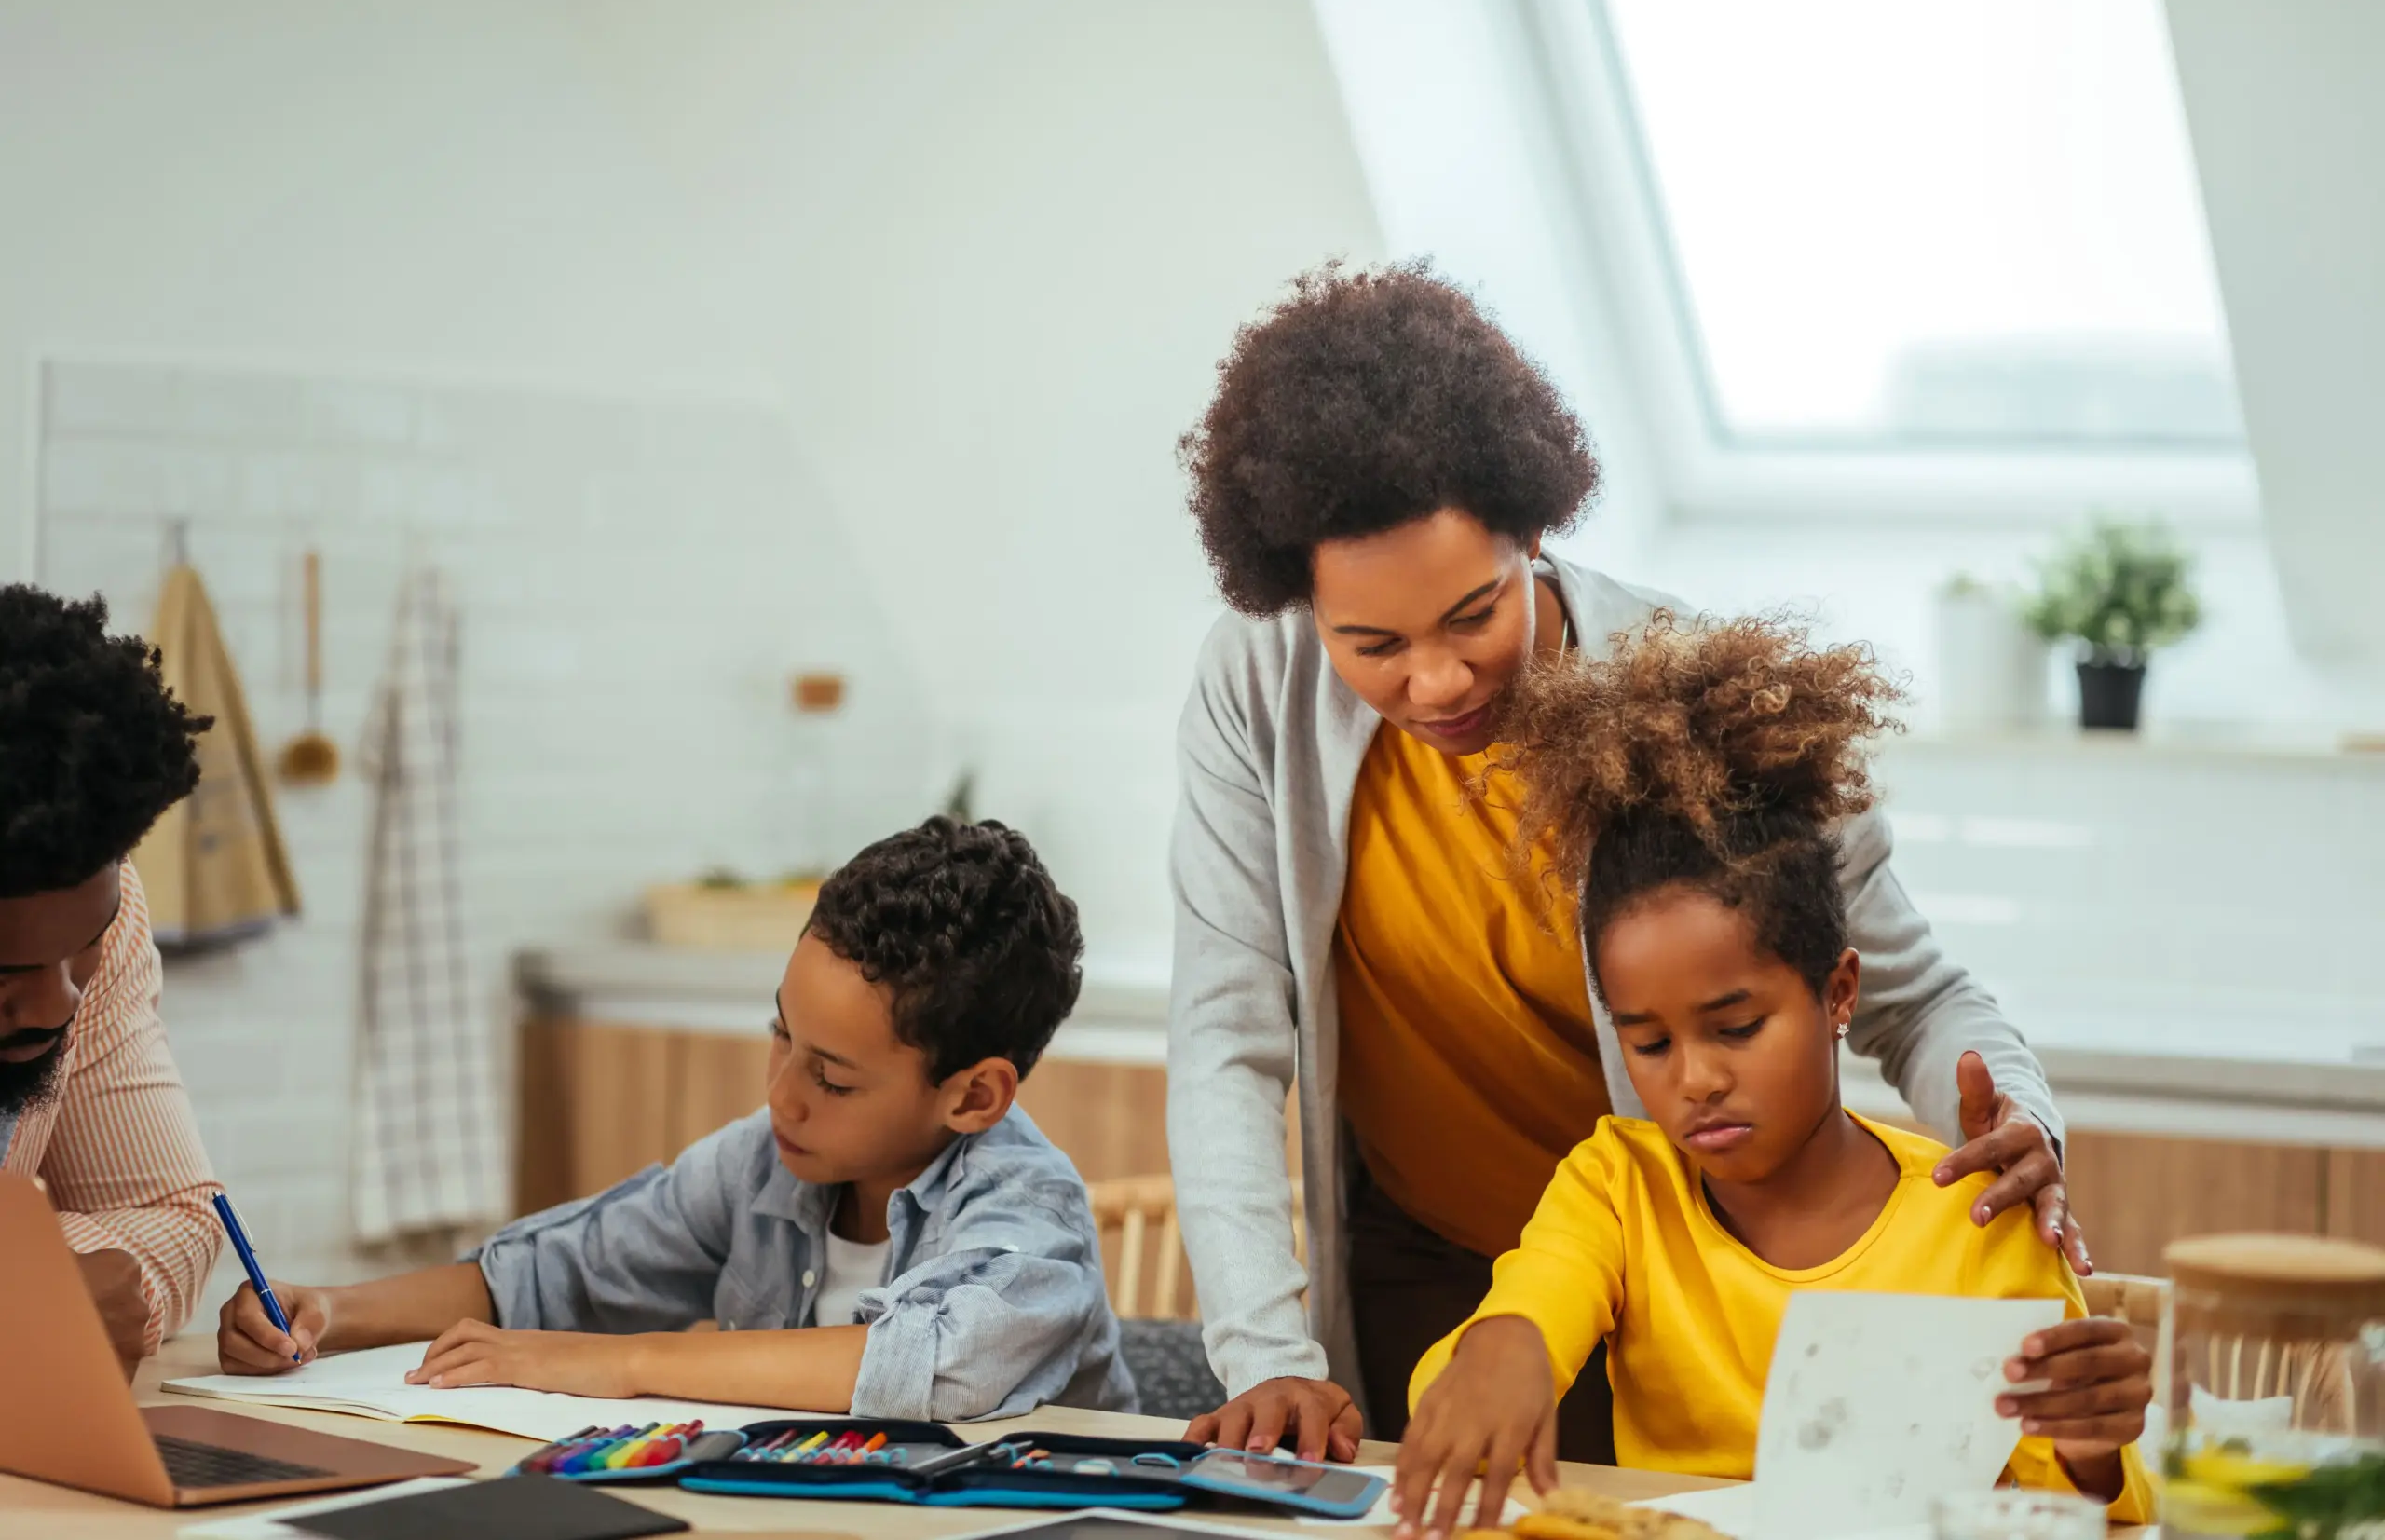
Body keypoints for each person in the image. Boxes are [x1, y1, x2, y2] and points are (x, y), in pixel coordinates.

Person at [1168, 262, 2084, 1463]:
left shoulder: (1703, 705)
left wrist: (2023, 1118)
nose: (1434, 683)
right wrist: (1269, 1356)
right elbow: (1226, 1034)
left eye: (1472, 615)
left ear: (1532, 533)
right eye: (1372, 645)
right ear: (1299, 605)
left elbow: (1909, 994)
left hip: (1660, 1267)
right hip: (1418, 1261)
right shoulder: (1254, 688)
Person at [1391, 614, 2152, 1535]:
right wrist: (1501, 1345)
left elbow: (2085, 1505)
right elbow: (1527, 1308)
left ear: (1837, 993)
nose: (1696, 1080)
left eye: (1736, 1027)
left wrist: (2091, 1446)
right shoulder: (1617, 1188)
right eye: (1650, 1043)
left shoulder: (1981, 1217)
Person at [218, 817, 1138, 1421]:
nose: (781, 1094)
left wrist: (615, 1365)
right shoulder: (767, 1163)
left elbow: (928, 1360)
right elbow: (556, 1273)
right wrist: (333, 1312)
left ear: (972, 1095)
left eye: (833, 1077)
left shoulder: (1031, 1217)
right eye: (782, 1034)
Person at [0, 586, 223, 1370]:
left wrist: (53, 1285)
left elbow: (172, 1213)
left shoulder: (102, 916)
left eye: (82, 949)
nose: (61, 999)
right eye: (7, 973)